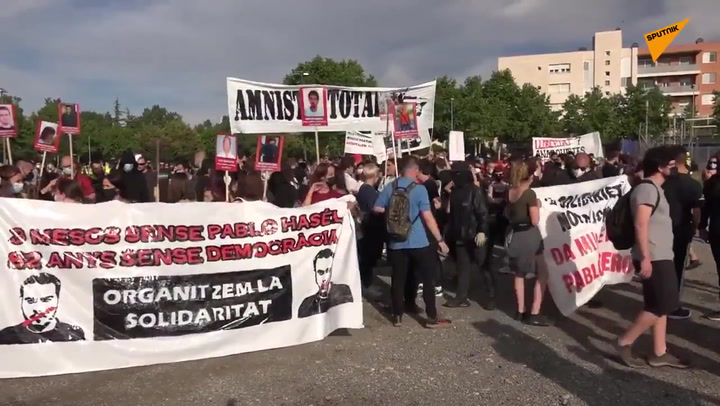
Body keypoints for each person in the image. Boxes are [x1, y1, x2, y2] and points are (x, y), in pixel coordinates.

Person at [617, 146, 688, 369]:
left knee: (659, 304)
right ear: (659, 167)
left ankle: (659, 352)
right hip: (654, 256)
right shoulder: (647, 190)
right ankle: (624, 342)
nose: (675, 167)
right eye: (671, 164)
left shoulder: (653, 188)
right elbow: (641, 224)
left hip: (660, 254)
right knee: (664, 303)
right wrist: (645, 257)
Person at [373, 155, 451, 328]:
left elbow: (377, 208)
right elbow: (428, 217)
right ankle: (431, 317)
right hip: (418, 241)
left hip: (395, 241)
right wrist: (440, 239)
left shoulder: (390, 186)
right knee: (427, 278)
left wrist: (392, 215)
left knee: (398, 278)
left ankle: (397, 315)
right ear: (415, 170)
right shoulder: (419, 189)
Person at [444, 161, 494, 309]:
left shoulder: (475, 191)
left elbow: (482, 213)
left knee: (483, 267)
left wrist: (482, 231)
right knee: (462, 268)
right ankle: (461, 297)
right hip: (460, 236)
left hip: (475, 235)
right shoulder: (455, 192)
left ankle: (491, 296)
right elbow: (452, 215)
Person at [506, 159, 549, 326]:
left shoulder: (511, 191)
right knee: (543, 273)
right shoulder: (529, 193)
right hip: (529, 235)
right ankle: (535, 312)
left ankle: (520, 310)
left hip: (515, 234)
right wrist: (537, 205)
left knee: (519, 273)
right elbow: (535, 220)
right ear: (530, 174)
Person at [662, 146, 703, 320]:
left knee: (663, 267)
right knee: (677, 269)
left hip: (661, 230)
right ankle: (672, 306)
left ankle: (660, 301)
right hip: (681, 230)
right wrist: (696, 226)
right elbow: (697, 212)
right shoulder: (693, 184)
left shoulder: (663, 181)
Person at [0, 273, 85, 345]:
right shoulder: (6, 336)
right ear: (21, 301)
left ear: (58, 300)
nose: (38, 308)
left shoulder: (73, 334)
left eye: (46, 300)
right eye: (30, 301)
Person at [355, 163, 384, 296]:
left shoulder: (365, 189)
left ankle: (366, 284)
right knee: (368, 258)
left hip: (369, 227)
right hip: (370, 227)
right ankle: (366, 285)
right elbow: (375, 208)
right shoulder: (368, 190)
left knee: (368, 257)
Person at [298, 249, 353, 318]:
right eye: (320, 272)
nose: (324, 278)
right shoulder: (306, 304)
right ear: (315, 273)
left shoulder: (343, 291)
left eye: (328, 271)